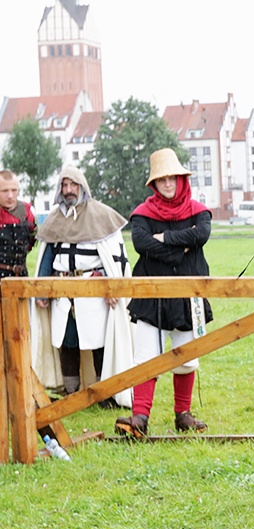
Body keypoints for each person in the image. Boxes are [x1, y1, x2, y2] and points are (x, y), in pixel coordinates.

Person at [114, 148, 212, 438]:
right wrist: (179, 249)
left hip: (188, 294)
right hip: (151, 295)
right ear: (154, 185)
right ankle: (140, 417)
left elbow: (201, 235)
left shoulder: (199, 212)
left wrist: (166, 239)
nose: (168, 184)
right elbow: (141, 244)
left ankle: (183, 415)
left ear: (181, 180)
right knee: (146, 356)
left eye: (173, 179)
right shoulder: (142, 215)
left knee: (187, 355)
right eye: (162, 180)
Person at [31, 165, 133, 409]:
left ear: (82, 187)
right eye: (64, 186)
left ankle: (102, 392)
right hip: (63, 290)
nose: (68, 190)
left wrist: (111, 288)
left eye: (73, 185)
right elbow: (48, 256)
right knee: (67, 341)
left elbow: (114, 257)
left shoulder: (101, 215)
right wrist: (42, 291)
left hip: (93, 291)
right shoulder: (55, 217)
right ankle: (70, 392)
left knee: (98, 341)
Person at [0, 170, 37, 279]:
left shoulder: (28, 213)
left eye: (14, 190)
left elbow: (31, 241)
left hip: (21, 277)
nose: (10, 195)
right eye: (4, 191)